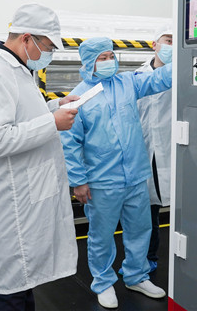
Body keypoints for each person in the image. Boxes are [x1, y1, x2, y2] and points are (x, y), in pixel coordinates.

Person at [0, 3, 79, 311]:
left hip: (29, 191)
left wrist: (55, 106)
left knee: (24, 279)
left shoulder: (20, 71)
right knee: (12, 284)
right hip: (12, 198)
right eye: (48, 47)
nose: (49, 54)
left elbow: (23, 116)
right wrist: (53, 123)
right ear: (27, 38)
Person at [60, 37, 172, 309]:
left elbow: (159, 79)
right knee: (101, 235)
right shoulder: (79, 97)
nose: (110, 61)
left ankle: (136, 275)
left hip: (136, 175)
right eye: (103, 58)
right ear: (89, 62)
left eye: (111, 56)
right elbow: (70, 143)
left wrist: (186, 54)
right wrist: (78, 181)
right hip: (102, 180)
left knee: (140, 229)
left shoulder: (127, 83)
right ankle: (103, 282)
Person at [135, 28, 173, 273]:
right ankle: (147, 259)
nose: (171, 45)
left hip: (173, 150)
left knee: (184, 208)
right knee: (148, 212)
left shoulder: (183, 73)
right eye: (167, 40)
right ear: (154, 44)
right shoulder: (136, 76)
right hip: (145, 153)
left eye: (175, 41)